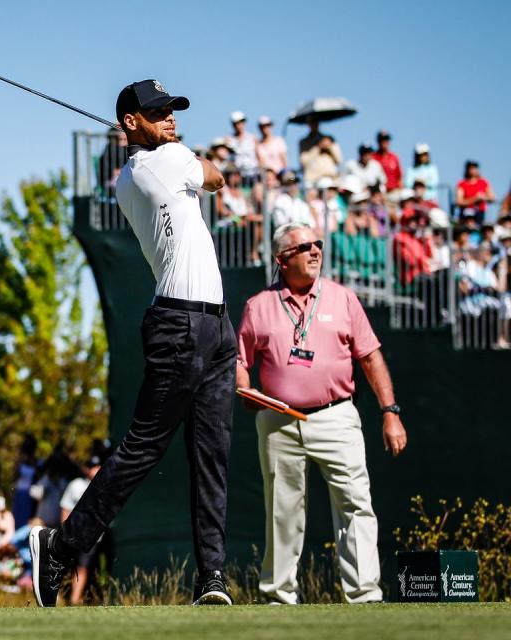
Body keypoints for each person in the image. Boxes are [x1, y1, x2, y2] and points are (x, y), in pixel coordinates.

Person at [30, 78, 235, 608]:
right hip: (181, 322)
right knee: (143, 449)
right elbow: (216, 177)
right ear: (131, 122)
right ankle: (61, 546)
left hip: (213, 324)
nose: (170, 118)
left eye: (171, 110)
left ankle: (211, 577)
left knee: (211, 454)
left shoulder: (137, 171)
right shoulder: (164, 162)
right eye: (158, 112)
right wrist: (184, 153)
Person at [236, 222, 408, 605]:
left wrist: (390, 411)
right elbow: (240, 360)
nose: (315, 251)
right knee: (283, 512)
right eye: (304, 247)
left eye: (318, 244)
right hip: (279, 420)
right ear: (282, 260)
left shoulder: (343, 299)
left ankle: (364, 595)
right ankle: (279, 597)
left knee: (355, 503)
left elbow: (370, 356)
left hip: (336, 416)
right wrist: (246, 390)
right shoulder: (258, 306)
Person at [59, 454, 105, 606]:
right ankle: (61, 597)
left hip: (93, 537)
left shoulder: (104, 486)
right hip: (73, 534)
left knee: (83, 567)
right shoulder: (76, 485)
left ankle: (75, 599)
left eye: (98, 466)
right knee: (67, 567)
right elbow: (65, 509)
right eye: (93, 467)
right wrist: (64, 531)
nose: (96, 470)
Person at [456, 160, 496, 227]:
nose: (473, 170)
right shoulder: (462, 184)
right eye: (471, 168)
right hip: (465, 214)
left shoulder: (483, 182)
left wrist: (483, 197)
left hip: (480, 213)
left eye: (475, 168)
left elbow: (492, 197)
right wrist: (475, 199)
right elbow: (459, 201)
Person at [227, 111, 259, 185]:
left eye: (241, 122)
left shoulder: (252, 138)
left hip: (253, 174)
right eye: (236, 123)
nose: (239, 125)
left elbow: (258, 156)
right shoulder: (229, 140)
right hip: (237, 177)